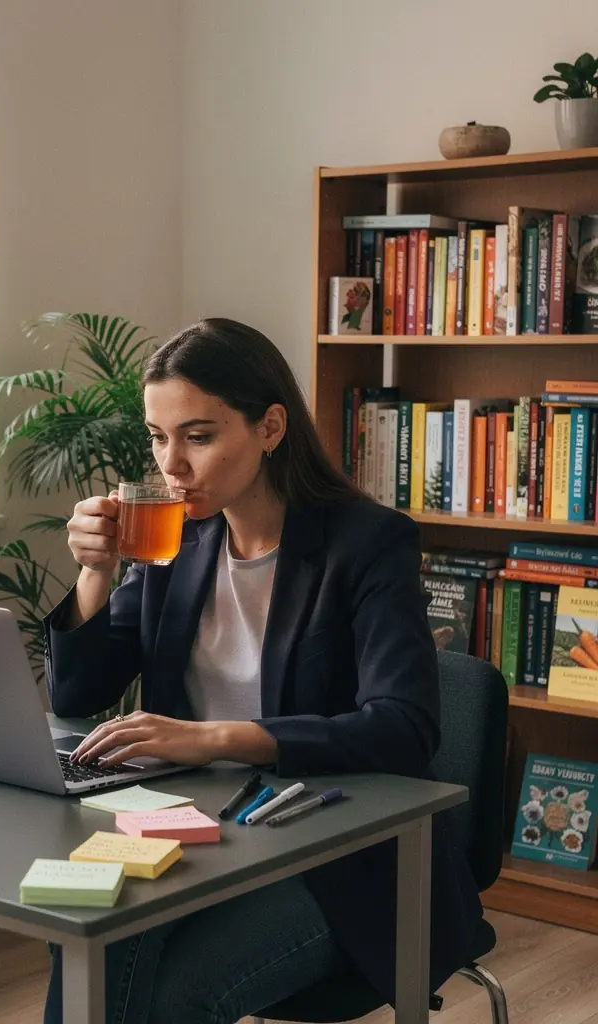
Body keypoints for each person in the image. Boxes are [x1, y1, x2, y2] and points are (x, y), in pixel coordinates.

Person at [41, 318, 482, 1024]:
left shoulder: (367, 545)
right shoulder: (175, 540)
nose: (171, 465)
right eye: (158, 437)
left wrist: (215, 737)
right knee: (85, 927)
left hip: (329, 852)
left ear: (270, 427)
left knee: (174, 997)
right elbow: (76, 694)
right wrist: (95, 574)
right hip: (184, 828)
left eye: (199, 435)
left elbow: (403, 729)